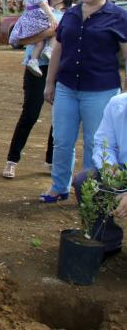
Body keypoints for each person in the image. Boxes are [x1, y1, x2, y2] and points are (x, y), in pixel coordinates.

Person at [42, 0, 127, 203]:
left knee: (96, 144)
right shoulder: (71, 13)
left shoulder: (119, 17)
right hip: (67, 87)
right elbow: (58, 47)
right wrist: (50, 83)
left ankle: (91, 192)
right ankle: (59, 187)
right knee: (62, 140)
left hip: (101, 91)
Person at [3, 0, 74, 179]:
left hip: (62, 69)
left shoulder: (74, 12)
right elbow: (19, 40)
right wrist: (52, 32)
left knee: (59, 117)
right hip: (36, 68)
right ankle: (12, 160)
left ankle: (51, 161)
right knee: (30, 114)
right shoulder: (34, 9)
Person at [72, 92, 127, 260]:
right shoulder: (117, 104)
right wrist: (110, 169)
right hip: (123, 169)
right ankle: (106, 241)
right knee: (85, 182)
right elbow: (104, 145)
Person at [8, 0, 59, 77]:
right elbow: (44, 7)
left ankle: (33, 60)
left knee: (39, 42)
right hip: (37, 23)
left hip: (29, 24)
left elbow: (30, 7)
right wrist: (51, 16)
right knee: (57, 29)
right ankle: (49, 49)